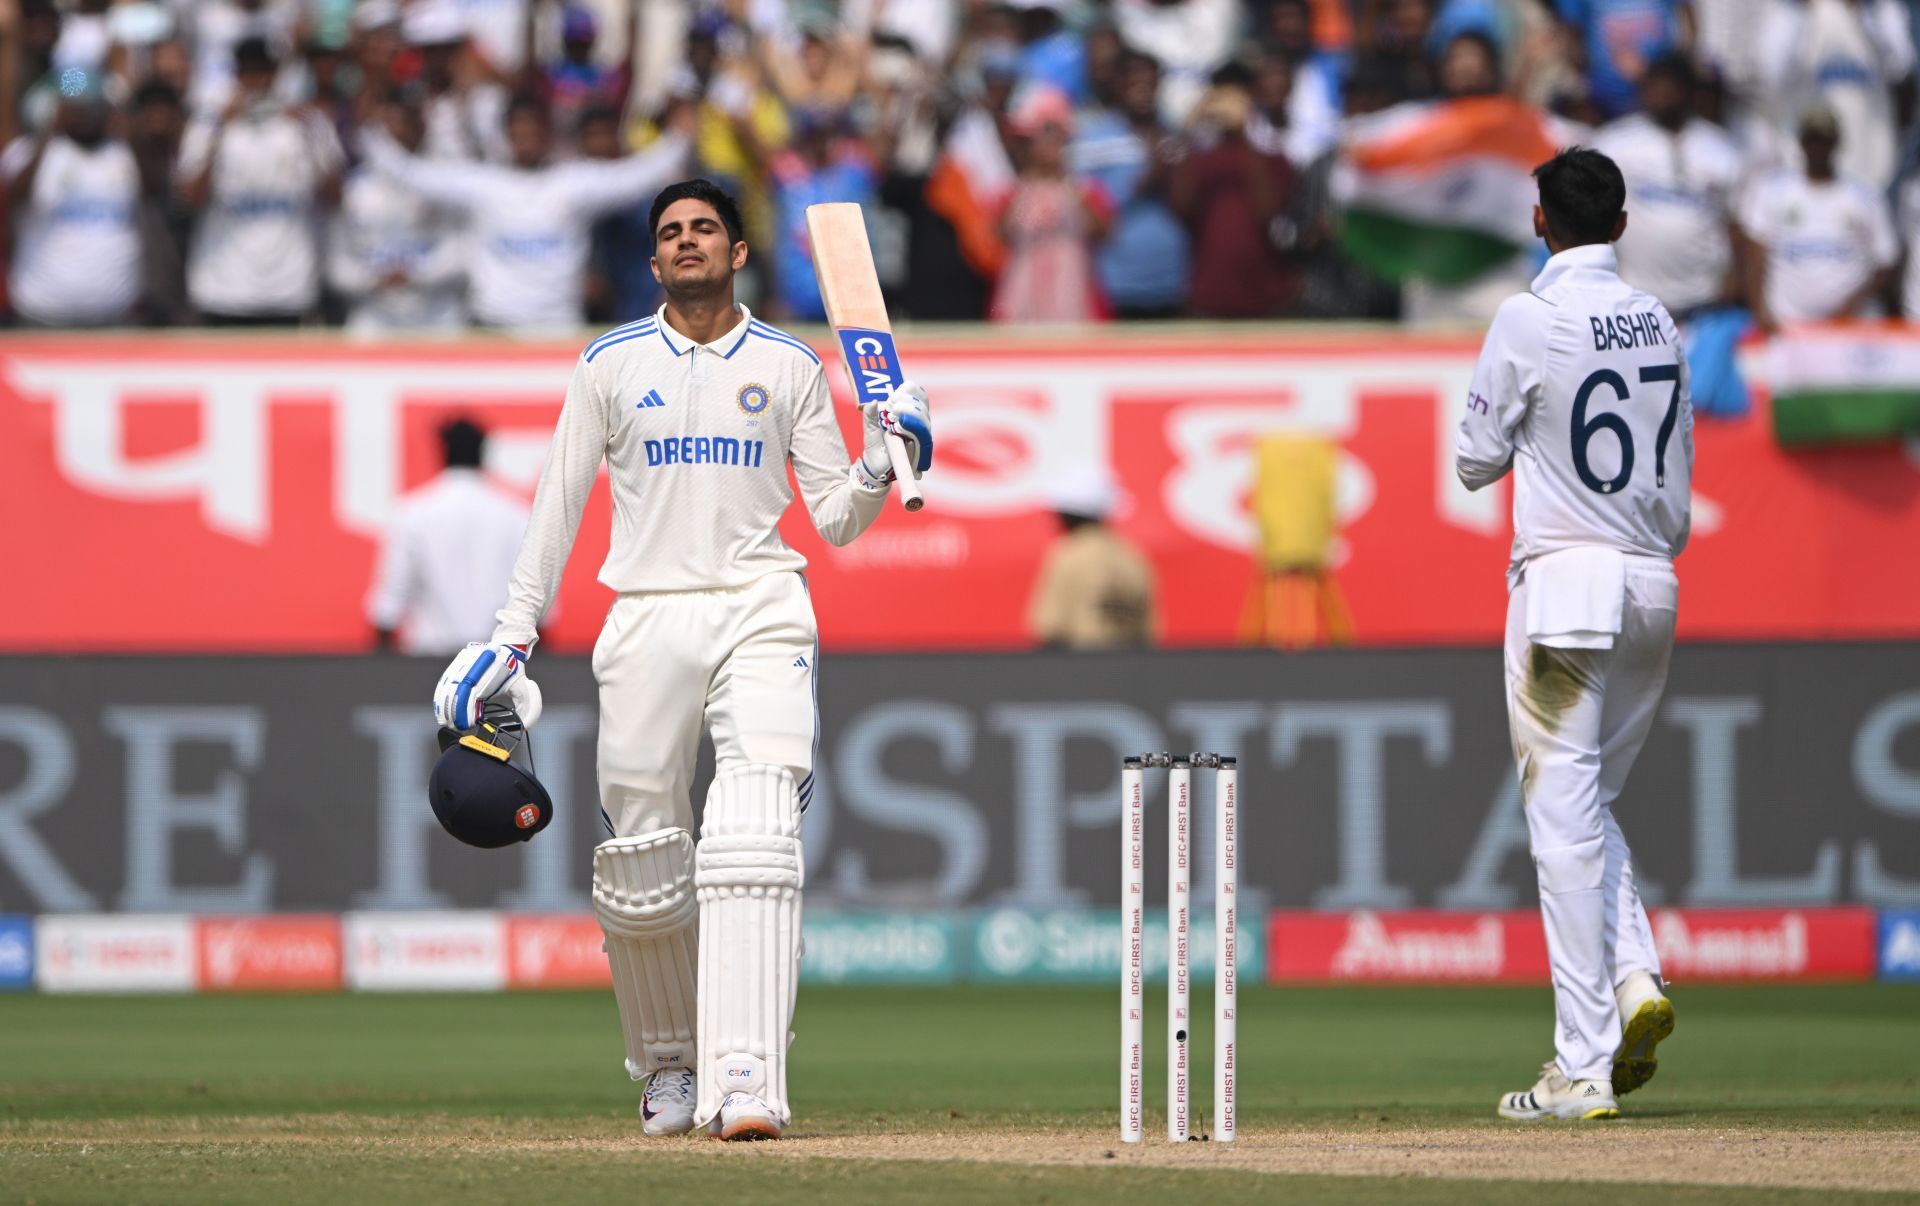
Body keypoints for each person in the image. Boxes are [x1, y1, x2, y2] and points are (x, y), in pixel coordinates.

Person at [428, 179, 932, 1141]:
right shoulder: (610, 364)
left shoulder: (788, 366)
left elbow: (834, 518)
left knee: (751, 834)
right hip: (646, 613)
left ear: (739, 253)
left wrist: (880, 462)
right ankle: (670, 1067)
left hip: (762, 606)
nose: (688, 241)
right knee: (640, 862)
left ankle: (747, 1077)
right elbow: (559, 502)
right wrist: (512, 629)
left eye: (705, 228)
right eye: (670, 234)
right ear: (653, 261)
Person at [1457, 147, 1690, 1122]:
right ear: (1623, 225)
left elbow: (1473, 461)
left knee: (1561, 826)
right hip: (1652, 585)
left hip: (1564, 590)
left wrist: (1520, 429)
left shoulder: (1528, 315)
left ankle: (1580, 1069)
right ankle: (1636, 979)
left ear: (1539, 220)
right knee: (1589, 806)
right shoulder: (1663, 320)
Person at [361, 93, 690, 330]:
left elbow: (636, 176)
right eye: (518, 130)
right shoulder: (483, 184)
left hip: (558, 330)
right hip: (494, 328)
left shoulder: (573, 183)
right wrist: (369, 131)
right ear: (505, 134)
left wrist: (681, 137)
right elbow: (408, 173)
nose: (526, 138)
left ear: (548, 133)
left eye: (534, 129)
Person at [177, 37, 343, 324]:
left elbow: (336, 198)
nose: (256, 80)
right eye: (248, 72)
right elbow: (189, 199)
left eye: (264, 71)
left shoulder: (308, 122)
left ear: (276, 73)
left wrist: (311, 134)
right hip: (224, 289)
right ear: (236, 75)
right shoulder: (208, 125)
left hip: (289, 288)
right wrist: (219, 131)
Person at [1593, 52, 1745, 320]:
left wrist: (1735, 276)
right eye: (1652, 85)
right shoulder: (1615, 143)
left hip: (1706, 302)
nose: (1659, 94)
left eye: (1668, 86)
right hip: (1635, 302)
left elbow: (1735, 220)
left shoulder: (1720, 148)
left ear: (1687, 92)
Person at [366, 418, 529, 654]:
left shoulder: (412, 514)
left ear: (443, 451)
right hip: (498, 664)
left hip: (427, 664)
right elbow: (537, 608)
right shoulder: (516, 515)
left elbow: (388, 606)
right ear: (483, 451)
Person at [2, 72, 142, 326]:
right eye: (77, 108)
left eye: (92, 107)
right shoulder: (27, 150)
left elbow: (158, 191)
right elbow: (13, 198)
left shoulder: (123, 152)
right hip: (41, 313)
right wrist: (50, 130)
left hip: (113, 316)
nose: (85, 115)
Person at [1740, 105, 1897, 332]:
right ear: (1801, 142)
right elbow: (1755, 257)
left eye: (1824, 140)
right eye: (1812, 140)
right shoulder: (1773, 191)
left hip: (1848, 328)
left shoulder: (1864, 196)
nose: (1817, 148)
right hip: (1787, 328)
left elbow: (1886, 262)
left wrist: (1852, 304)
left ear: (1836, 142)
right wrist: (1759, 312)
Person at [328, 90, 467, 332]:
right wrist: (372, 279)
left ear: (421, 127)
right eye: (391, 123)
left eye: (407, 122)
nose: (400, 132)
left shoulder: (443, 181)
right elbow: (338, 267)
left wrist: (416, 274)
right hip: (374, 320)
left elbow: (461, 254)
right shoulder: (355, 190)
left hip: (437, 320)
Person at [1026, 464, 1156, 649]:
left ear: (1066, 512)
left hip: (1080, 671)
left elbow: (1051, 627)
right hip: (1128, 672)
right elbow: (1147, 634)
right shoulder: (1132, 559)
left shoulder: (1070, 555)